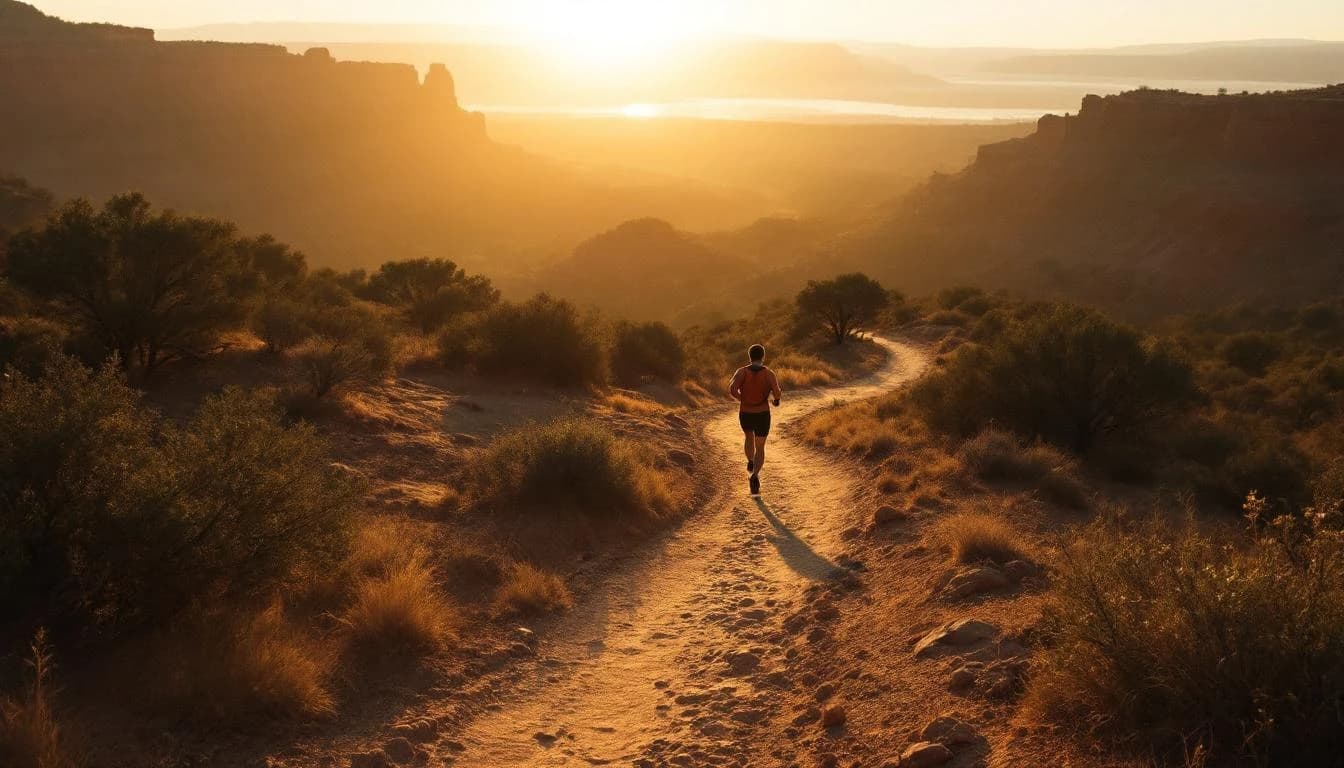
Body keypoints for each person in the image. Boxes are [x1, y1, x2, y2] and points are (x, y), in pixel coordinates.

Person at [729, 344, 782, 495]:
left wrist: (743, 399)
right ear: (763, 356)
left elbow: (732, 389)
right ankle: (755, 475)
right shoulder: (768, 373)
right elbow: (777, 392)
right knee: (760, 446)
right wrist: (776, 400)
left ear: (749, 356)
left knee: (748, 437)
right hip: (762, 414)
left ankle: (750, 461)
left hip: (745, 412)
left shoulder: (741, 372)